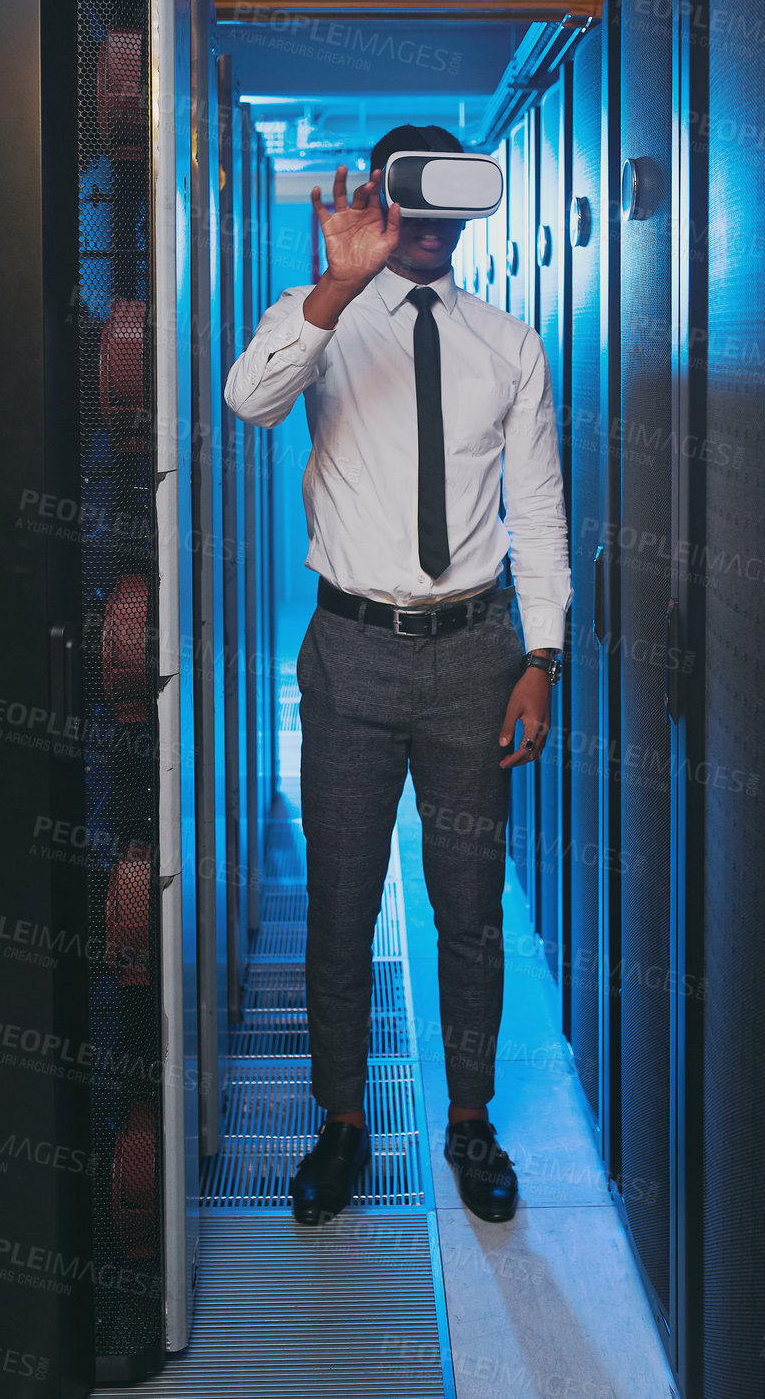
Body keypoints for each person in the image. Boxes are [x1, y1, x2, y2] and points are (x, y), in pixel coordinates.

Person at [223, 122, 571, 1225]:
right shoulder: (321, 318)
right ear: (377, 198)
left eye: (445, 199)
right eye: (405, 199)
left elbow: (541, 516)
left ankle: (469, 1122)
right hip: (351, 657)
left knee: (467, 909)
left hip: (475, 657)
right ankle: (341, 1123)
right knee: (339, 905)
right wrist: (334, 284)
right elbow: (248, 400)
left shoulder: (508, 345)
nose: (426, 223)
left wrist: (541, 658)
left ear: (470, 206)